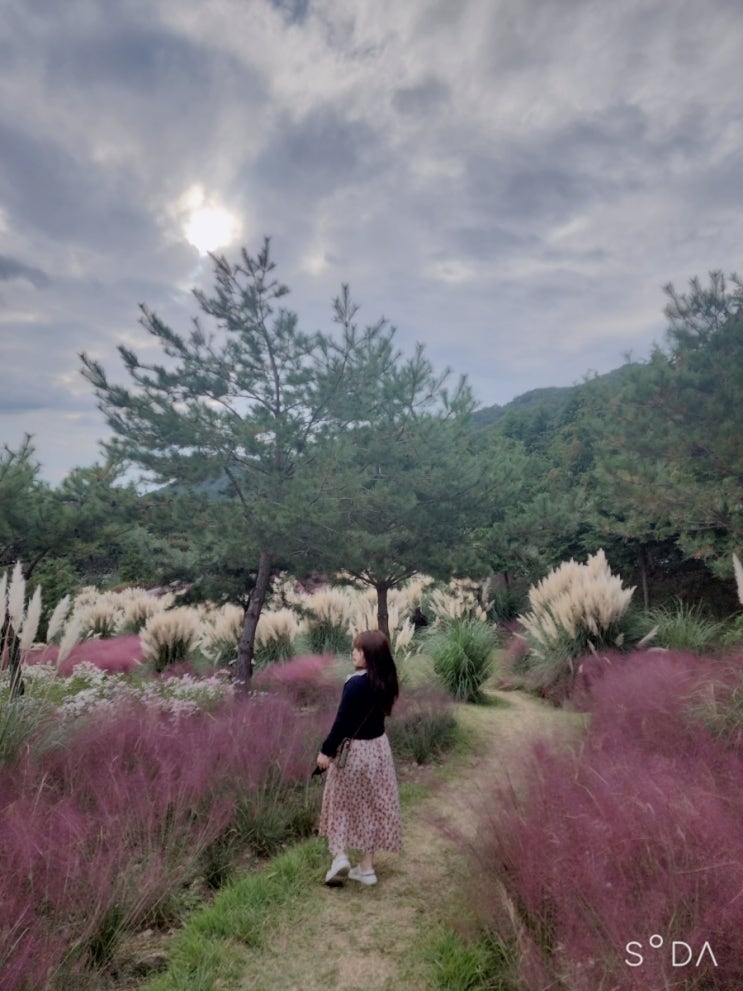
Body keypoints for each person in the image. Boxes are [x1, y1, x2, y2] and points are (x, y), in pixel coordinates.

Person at [316, 629, 402, 887]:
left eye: (359, 649)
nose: (353, 652)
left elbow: (341, 723)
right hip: (378, 751)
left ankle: (340, 857)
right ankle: (366, 868)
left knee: (340, 804)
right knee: (372, 806)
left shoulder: (354, 684)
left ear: (371, 655)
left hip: (353, 753)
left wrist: (325, 751)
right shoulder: (386, 681)